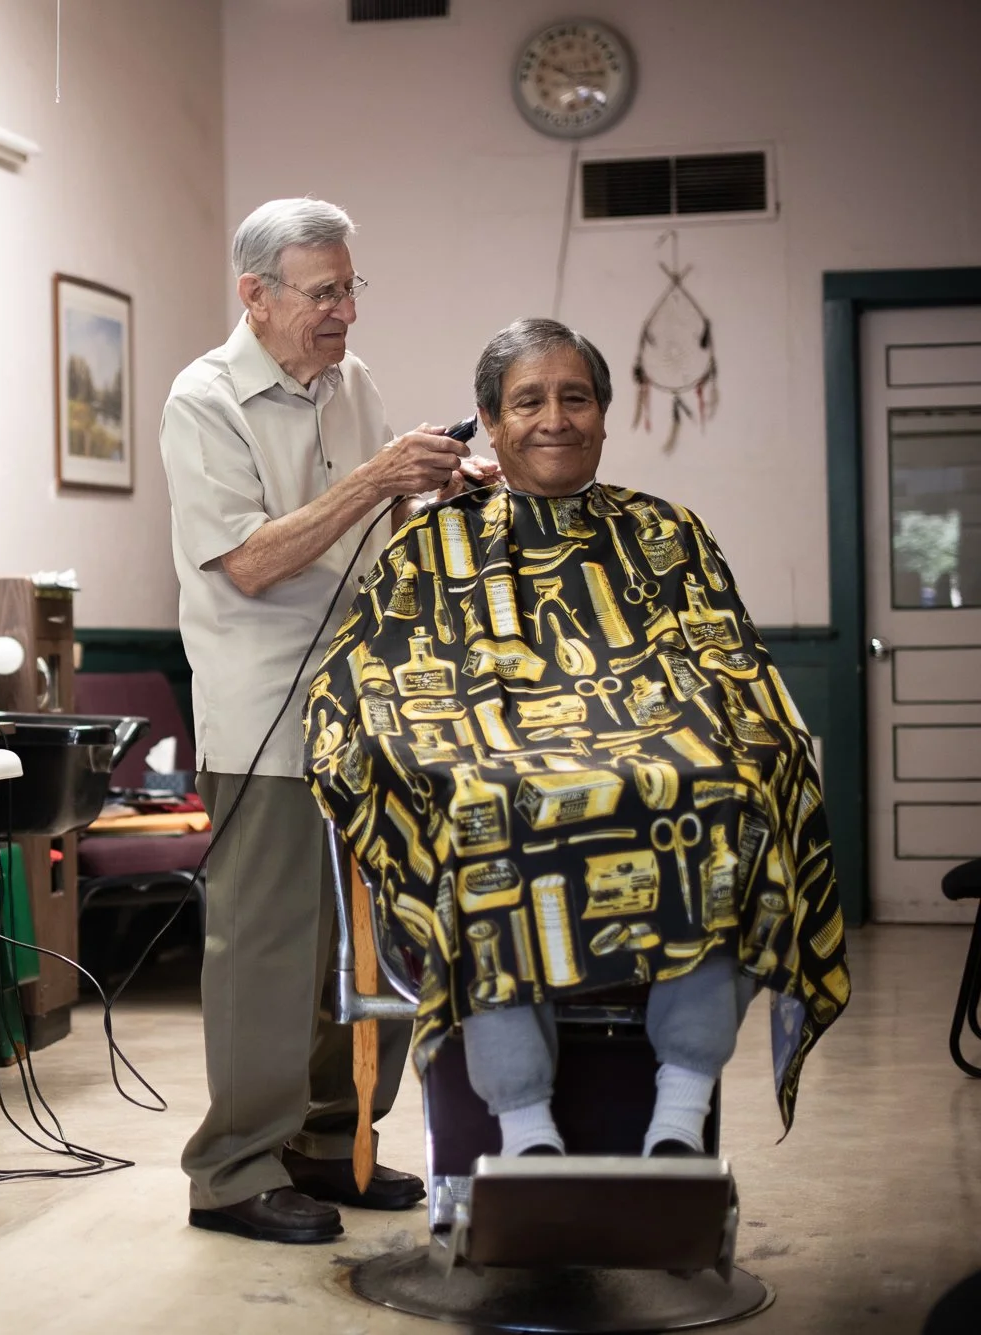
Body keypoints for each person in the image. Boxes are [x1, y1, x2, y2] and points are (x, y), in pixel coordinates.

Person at [308, 317, 850, 1156]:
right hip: (495, 784)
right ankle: (524, 1132)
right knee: (484, 813)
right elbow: (375, 695)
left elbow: (736, 676)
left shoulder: (669, 534)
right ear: (489, 420)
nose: (555, 418)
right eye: (529, 400)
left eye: (576, 397)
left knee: (728, 798)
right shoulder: (434, 543)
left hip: (659, 778)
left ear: (604, 414)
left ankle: (678, 1110)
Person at [159, 197, 499, 1246]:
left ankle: (330, 1142)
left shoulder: (353, 387)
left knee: (364, 945)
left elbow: (382, 522)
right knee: (267, 949)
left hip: (372, 708)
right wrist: (375, 477)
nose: (344, 311)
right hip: (262, 707)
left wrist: (439, 488)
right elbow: (253, 561)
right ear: (254, 297)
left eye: (351, 287)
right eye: (323, 292)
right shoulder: (203, 399)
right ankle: (230, 1173)